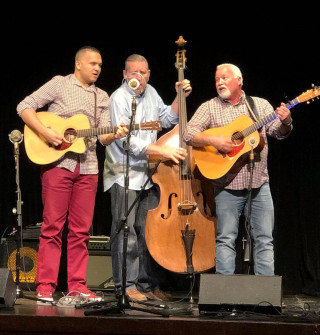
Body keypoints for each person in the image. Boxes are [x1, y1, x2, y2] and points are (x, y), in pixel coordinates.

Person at [16, 46, 128, 302]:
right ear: (78, 64)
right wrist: (45, 131)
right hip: (58, 164)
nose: (97, 68)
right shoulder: (59, 84)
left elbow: (102, 137)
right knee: (53, 227)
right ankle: (45, 286)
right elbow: (25, 106)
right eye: (92, 63)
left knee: (81, 231)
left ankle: (77, 285)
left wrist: (115, 134)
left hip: (88, 167)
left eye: (100, 64)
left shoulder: (103, 96)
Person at [183, 63, 293, 276]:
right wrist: (214, 140)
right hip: (226, 185)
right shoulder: (209, 107)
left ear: (239, 80)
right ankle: (224, 297)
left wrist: (286, 122)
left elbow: (277, 132)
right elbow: (189, 133)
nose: (219, 82)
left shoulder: (258, 106)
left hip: (259, 184)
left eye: (224, 78)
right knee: (225, 239)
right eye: (216, 79)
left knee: (264, 239)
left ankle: (264, 295)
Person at [103, 54, 191, 301]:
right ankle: (126, 286)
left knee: (147, 232)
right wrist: (161, 150)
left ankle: (145, 285)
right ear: (124, 74)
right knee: (126, 231)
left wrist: (179, 97)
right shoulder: (118, 98)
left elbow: (166, 119)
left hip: (149, 176)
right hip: (124, 175)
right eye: (134, 73)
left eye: (143, 73)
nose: (138, 78)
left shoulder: (151, 92)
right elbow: (125, 140)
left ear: (149, 74)